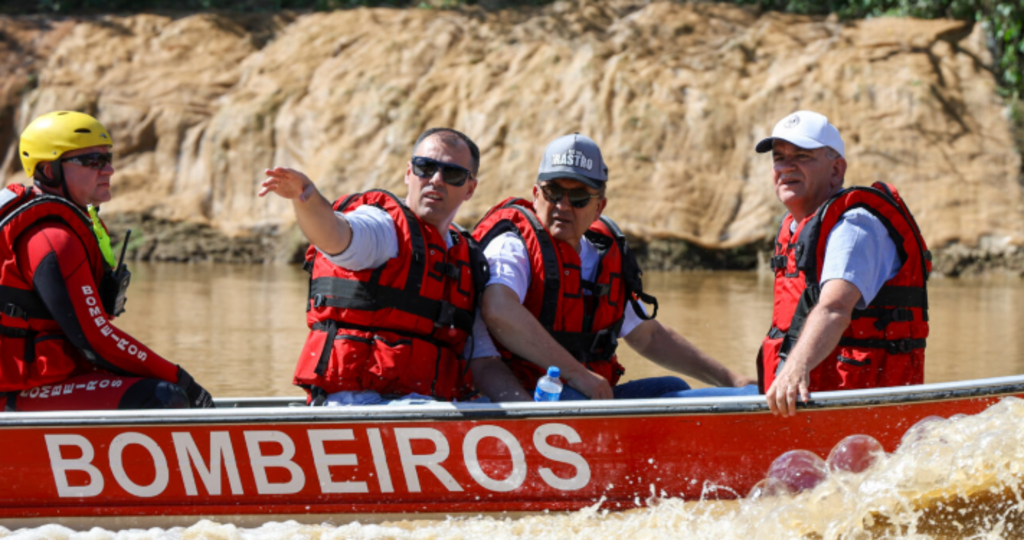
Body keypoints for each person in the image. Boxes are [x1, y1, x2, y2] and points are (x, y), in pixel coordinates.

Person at [470, 133, 756, 402]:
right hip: (530, 396)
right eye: (553, 192)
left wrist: (730, 379)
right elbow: (498, 310)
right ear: (535, 195)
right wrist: (577, 374)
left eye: (579, 197)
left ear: (599, 207)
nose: (563, 205)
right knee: (575, 395)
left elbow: (648, 336)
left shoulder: (602, 255)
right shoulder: (512, 246)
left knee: (672, 387)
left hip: (582, 395)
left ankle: (743, 397)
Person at [259, 128, 497, 405]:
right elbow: (335, 236)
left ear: (470, 189)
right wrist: (307, 198)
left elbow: (484, 361)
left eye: (452, 174)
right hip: (358, 403)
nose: (436, 180)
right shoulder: (383, 229)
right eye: (426, 167)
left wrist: (530, 407)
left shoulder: (466, 259)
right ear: (409, 173)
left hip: (427, 405)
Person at [0, 111, 215, 411]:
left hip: (39, 385)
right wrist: (185, 383)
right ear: (49, 170)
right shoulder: (51, 239)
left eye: (108, 158)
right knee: (163, 396)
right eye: (92, 161)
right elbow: (96, 339)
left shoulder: (62, 225)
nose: (109, 170)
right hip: (14, 394)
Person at [754, 111, 930, 417]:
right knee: (670, 386)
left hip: (856, 405)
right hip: (803, 400)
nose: (786, 166)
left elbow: (835, 308)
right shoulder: (796, 227)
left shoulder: (855, 225)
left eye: (802, 156)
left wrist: (795, 368)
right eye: (779, 157)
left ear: (836, 170)